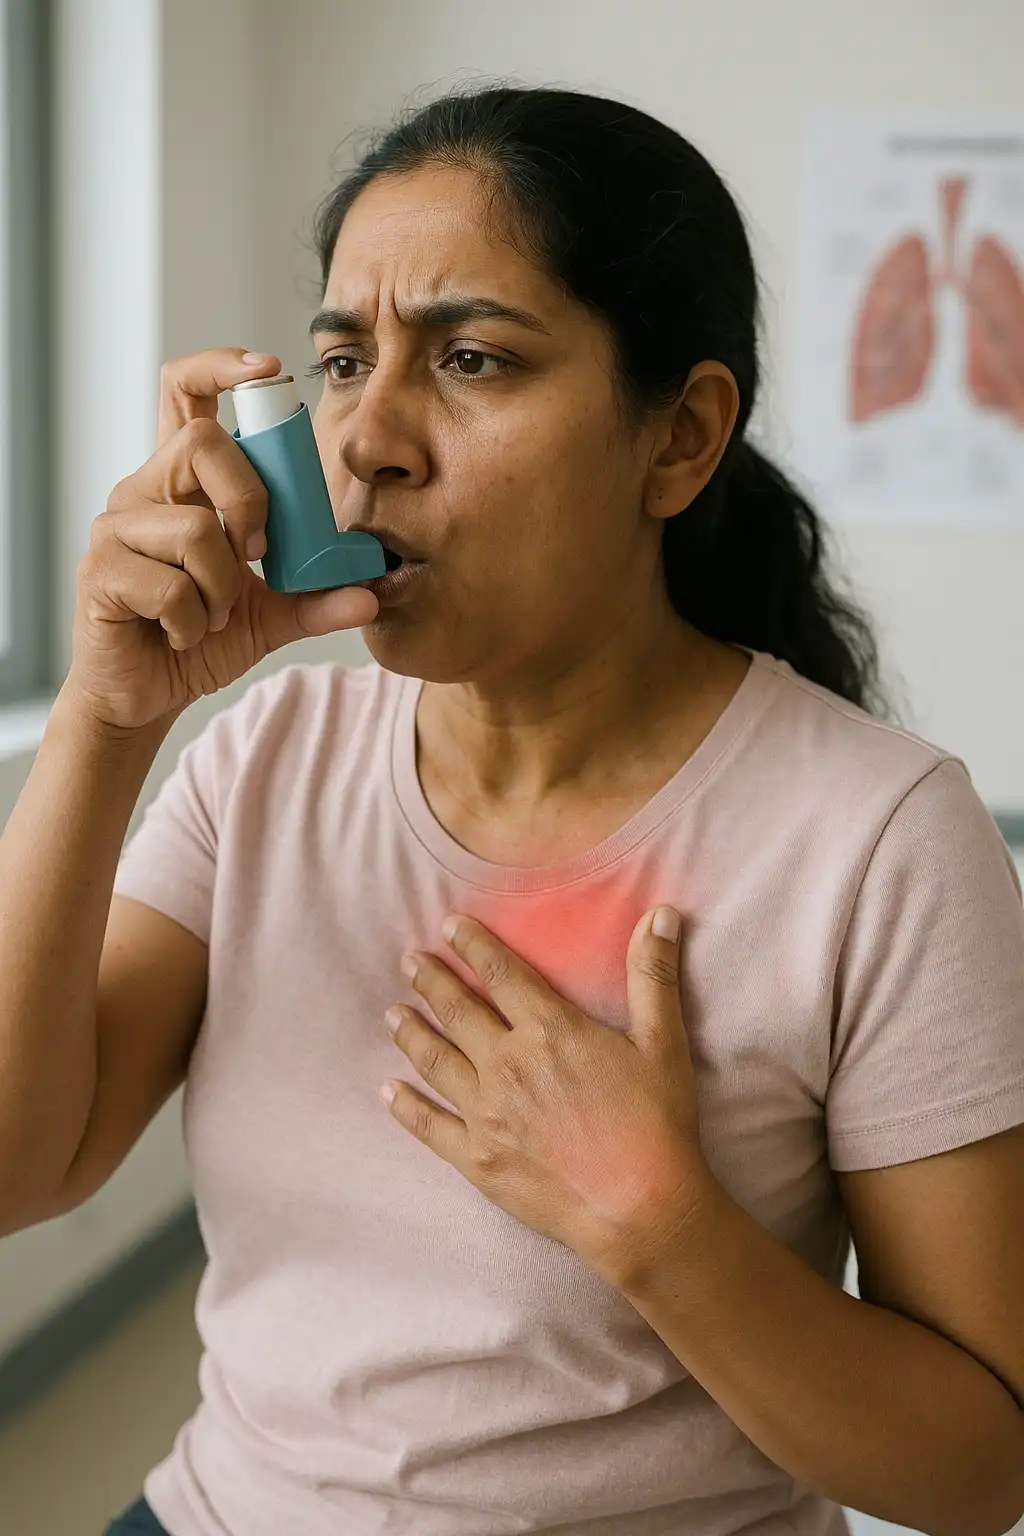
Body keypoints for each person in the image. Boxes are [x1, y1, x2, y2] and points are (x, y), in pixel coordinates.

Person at [1, 85, 1022, 1536]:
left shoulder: (881, 840)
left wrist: (663, 1229)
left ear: (678, 440)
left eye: (473, 358)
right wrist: (110, 723)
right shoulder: (271, 753)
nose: (371, 441)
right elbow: (17, 1168)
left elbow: (978, 1469)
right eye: (344, 359)